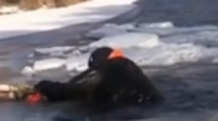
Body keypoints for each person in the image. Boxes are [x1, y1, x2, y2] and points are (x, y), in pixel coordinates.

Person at [31, 46, 163, 110]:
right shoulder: (130, 67)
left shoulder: (105, 68)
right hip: (153, 105)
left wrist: (44, 86)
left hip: (132, 111)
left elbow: (71, 90)